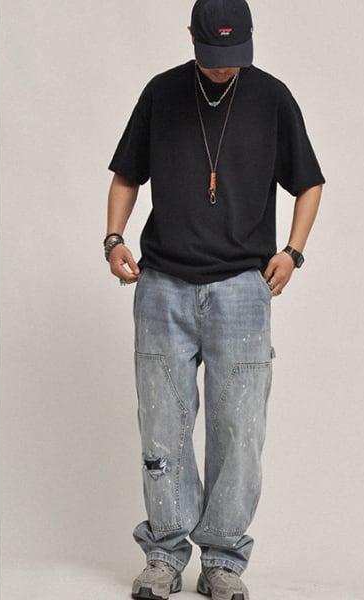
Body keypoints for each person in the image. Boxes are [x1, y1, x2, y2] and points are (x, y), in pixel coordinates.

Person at [104, 1, 325, 598]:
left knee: (239, 431)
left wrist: (293, 252)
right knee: (163, 428)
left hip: (242, 292)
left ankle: (223, 561)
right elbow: (127, 174)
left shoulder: (272, 98)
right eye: (213, 55)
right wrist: (113, 238)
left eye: (234, 55)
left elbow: (309, 182)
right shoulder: (161, 93)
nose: (224, 67)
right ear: (191, 37)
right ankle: (164, 555)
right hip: (162, 286)